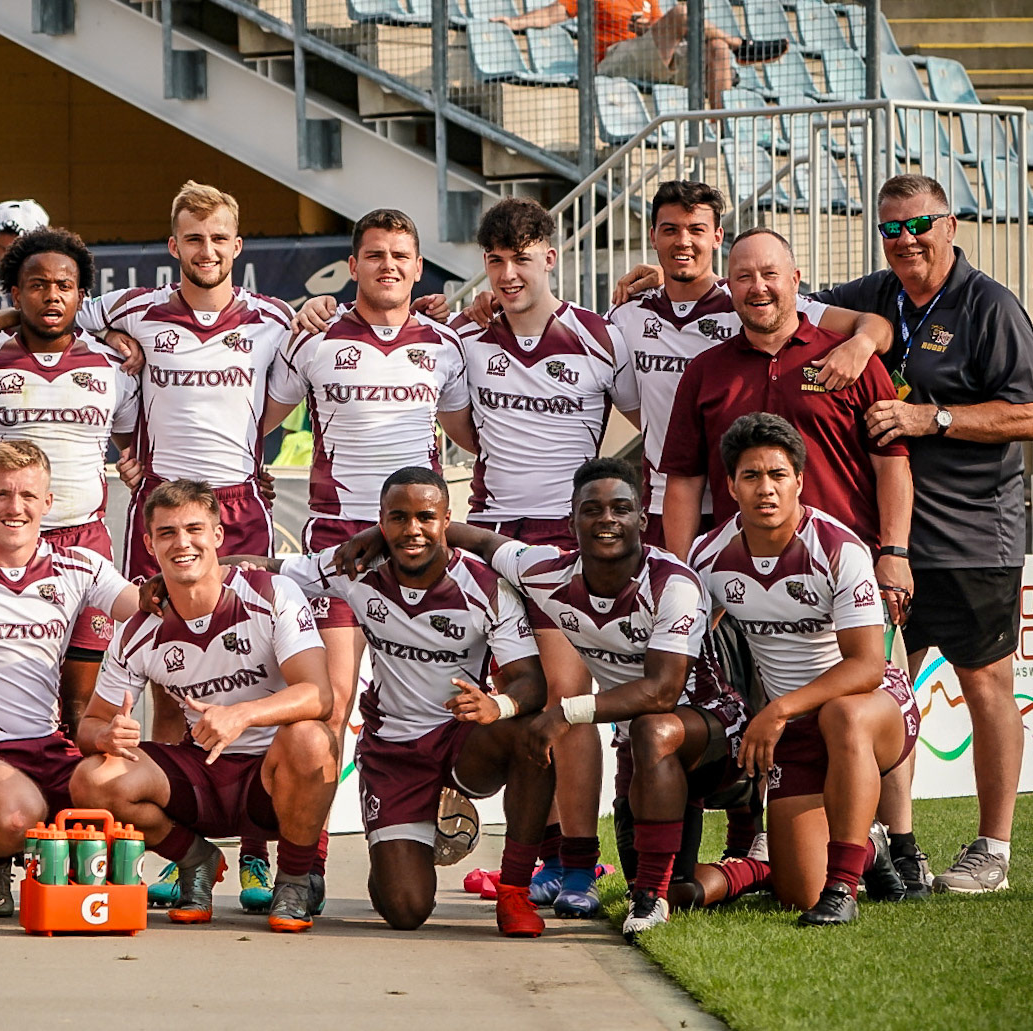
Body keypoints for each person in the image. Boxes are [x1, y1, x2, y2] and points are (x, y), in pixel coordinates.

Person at [0, 181, 298, 909]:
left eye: (217, 238)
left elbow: (274, 403)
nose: (205, 249)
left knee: (236, 673)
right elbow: (43, 301)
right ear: (173, 245)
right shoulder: (126, 314)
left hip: (206, 514)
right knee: (146, 680)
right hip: (88, 523)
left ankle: (256, 857)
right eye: (192, 237)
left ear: (237, 246)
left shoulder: (271, 318)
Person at [418, 459, 749, 940]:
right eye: (592, 510)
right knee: (681, 886)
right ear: (572, 521)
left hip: (713, 732)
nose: (606, 519)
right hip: (643, 750)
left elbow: (662, 691)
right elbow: (483, 542)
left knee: (653, 727)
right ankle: (757, 870)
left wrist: (565, 712)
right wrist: (387, 536)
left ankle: (652, 895)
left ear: (641, 518)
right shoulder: (547, 571)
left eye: (620, 508)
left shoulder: (672, 583)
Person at [816, 174, 1033, 895]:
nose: (905, 240)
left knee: (985, 684)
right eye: (891, 228)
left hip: (973, 533)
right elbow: (783, 299)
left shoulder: (990, 305)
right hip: (886, 541)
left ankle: (992, 848)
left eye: (919, 225)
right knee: (884, 688)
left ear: (951, 225)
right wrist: (677, 286)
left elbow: (1027, 412)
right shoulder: (873, 295)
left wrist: (929, 418)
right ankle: (896, 842)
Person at [259, 207, 476, 909]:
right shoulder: (312, 337)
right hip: (339, 550)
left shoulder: (447, 343)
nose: (388, 265)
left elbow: (474, 435)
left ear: (418, 267)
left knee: (457, 697)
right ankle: (304, 867)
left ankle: (451, 808)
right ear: (352, 266)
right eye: (375, 254)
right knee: (332, 707)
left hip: (420, 547)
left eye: (400, 255)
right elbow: (255, 421)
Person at [264, 467, 557, 936]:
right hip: (395, 751)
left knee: (532, 734)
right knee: (405, 910)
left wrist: (497, 706)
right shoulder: (355, 569)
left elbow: (531, 683)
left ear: (446, 521)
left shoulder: (485, 585)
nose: (412, 530)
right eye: (398, 518)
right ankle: (401, 845)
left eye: (425, 517)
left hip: (464, 738)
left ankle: (514, 891)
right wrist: (191, 575)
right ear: (380, 522)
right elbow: (266, 569)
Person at [443, 197, 632, 915]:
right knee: (520, 705)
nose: (508, 274)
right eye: (495, 261)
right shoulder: (466, 339)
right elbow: (464, 431)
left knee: (569, 701)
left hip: (564, 545)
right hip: (489, 542)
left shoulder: (600, 336)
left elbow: (648, 421)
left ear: (550, 257)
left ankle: (580, 864)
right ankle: (548, 856)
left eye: (521, 259)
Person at [71, 479, 339, 933]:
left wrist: (242, 714)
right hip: (203, 777)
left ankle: (294, 880)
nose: (182, 543)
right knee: (92, 778)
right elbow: (90, 724)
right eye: (167, 532)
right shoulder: (138, 629)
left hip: (272, 778)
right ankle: (195, 859)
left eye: (194, 529)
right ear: (149, 544)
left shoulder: (272, 593)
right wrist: (105, 735)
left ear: (217, 535)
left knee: (313, 738)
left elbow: (319, 694)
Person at [688, 413, 919, 926]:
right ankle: (870, 848)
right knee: (796, 893)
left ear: (798, 480)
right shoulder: (708, 556)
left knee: (843, 715)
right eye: (750, 476)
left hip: (873, 708)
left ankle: (843, 890)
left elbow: (867, 666)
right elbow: (689, 644)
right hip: (793, 729)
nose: (765, 488)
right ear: (731, 486)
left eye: (777, 474)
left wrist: (776, 710)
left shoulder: (839, 548)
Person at [0, 228, 138, 737]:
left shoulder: (113, 365)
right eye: (38, 285)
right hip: (7, 548)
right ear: (15, 294)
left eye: (64, 286)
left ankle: (76, 791)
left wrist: (137, 464)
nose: (52, 296)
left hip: (86, 547)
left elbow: (138, 446)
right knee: (0, 709)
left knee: (83, 708)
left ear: (81, 295)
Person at [0, 441, 144, 917]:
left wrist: (219, 575)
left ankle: (194, 864)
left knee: (118, 796)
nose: (14, 507)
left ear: (48, 502)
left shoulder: (81, 566)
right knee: (16, 819)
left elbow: (146, 609)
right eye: (1, 494)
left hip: (50, 742)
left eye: (27, 495)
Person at [607, 180, 894, 546]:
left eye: (696, 230)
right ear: (653, 236)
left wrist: (862, 344)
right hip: (670, 499)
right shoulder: (627, 314)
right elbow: (635, 406)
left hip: (743, 499)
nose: (683, 241)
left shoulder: (752, 300)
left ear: (717, 236)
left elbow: (875, 326)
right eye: (670, 230)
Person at [658, 228, 914, 628]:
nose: (757, 287)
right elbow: (684, 484)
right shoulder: (704, 373)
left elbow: (892, 466)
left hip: (846, 576)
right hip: (740, 589)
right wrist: (684, 577)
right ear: (729, 287)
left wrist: (894, 553)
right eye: (744, 277)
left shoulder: (852, 361)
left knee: (864, 671)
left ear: (795, 279)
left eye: (769, 274)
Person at [491, 0, 787, 105]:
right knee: (682, 12)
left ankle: (718, 128)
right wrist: (515, 22)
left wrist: (647, 27)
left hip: (650, 54)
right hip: (614, 58)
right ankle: (741, 46)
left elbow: (661, 30)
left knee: (716, 48)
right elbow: (553, 12)